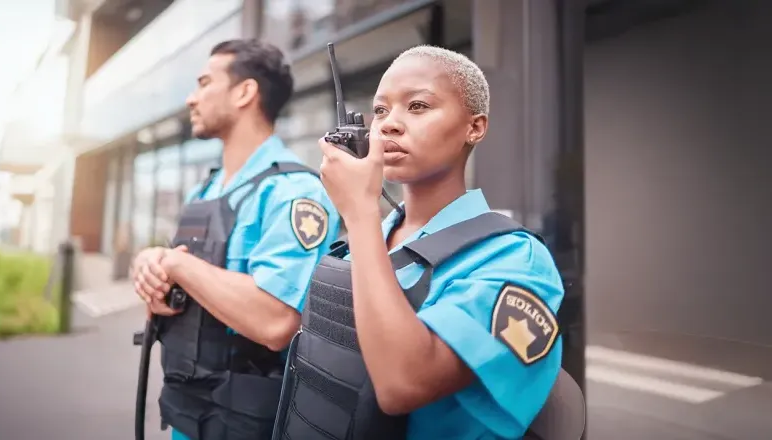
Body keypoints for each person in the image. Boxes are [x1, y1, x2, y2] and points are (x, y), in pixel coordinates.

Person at [270, 45, 564, 440]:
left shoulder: (516, 260)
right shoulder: (367, 239)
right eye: (380, 110)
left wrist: (360, 213)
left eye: (419, 106)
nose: (389, 124)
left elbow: (401, 385)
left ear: (474, 127)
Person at [129, 38, 341, 440]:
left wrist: (175, 263)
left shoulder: (296, 193)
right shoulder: (204, 191)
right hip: (186, 412)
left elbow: (276, 319)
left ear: (245, 92)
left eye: (205, 83)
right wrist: (151, 272)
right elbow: (180, 290)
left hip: (246, 423)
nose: (192, 99)